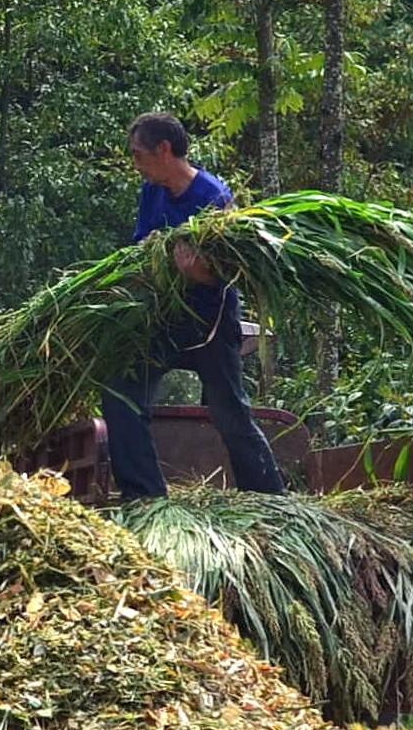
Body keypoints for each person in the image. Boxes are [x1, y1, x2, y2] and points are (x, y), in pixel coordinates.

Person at [98, 114, 288, 502]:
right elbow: (140, 246)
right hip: (162, 320)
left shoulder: (215, 198)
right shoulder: (152, 191)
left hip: (210, 324)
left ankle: (271, 498)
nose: (136, 165)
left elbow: (230, 271)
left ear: (164, 150)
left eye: (138, 155)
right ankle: (145, 496)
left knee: (230, 412)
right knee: (121, 390)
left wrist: (199, 272)